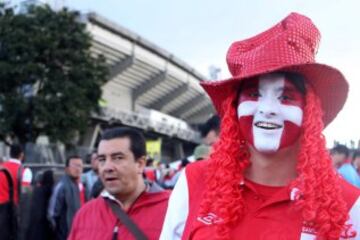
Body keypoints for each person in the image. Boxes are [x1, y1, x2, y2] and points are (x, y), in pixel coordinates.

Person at [160, 12, 360, 240]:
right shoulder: (193, 182)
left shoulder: (349, 204)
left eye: (285, 97)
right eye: (254, 94)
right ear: (234, 108)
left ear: (310, 112)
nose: (267, 109)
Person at [68, 127, 170, 240]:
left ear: (140, 164)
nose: (107, 167)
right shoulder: (85, 214)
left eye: (117, 158)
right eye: (102, 159)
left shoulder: (173, 209)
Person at [48, 155, 85, 240]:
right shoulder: (61, 186)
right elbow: (52, 213)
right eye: (74, 165)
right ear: (67, 168)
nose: (77, 169)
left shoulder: (81, 185)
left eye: (80, 166)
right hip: (65, 233)